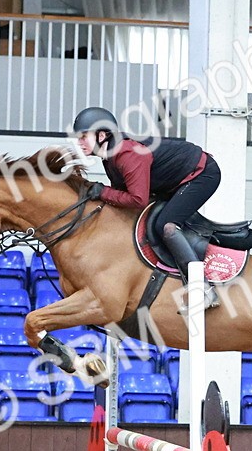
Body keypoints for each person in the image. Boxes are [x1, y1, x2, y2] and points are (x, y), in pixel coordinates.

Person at [72, 107, 221, 307]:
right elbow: (122, 197)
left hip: (202, 174)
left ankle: (203, 288)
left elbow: (137, 200)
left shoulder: (126, 154)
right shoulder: (109, 156)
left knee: (165, 225)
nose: (79, 142)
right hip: (174, 180)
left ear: (101, 135)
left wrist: (102, 192)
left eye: (83, 136)